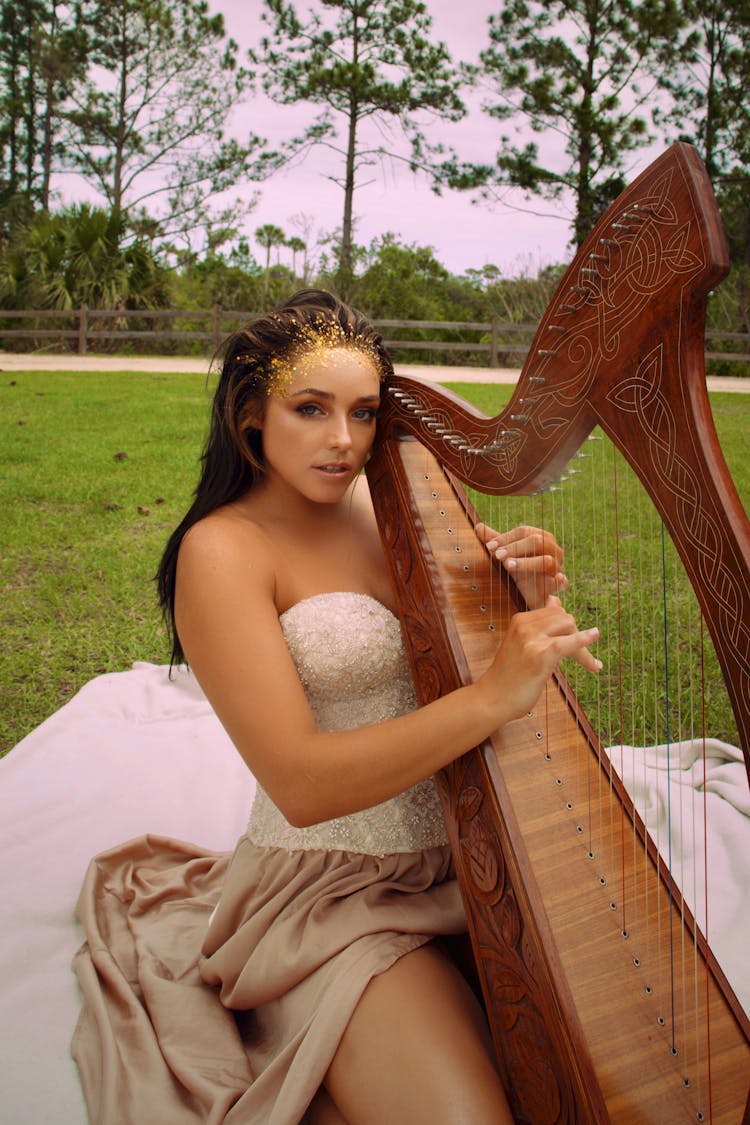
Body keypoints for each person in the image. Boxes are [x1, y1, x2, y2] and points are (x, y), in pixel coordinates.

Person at [72, 288, 601, 1125]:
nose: (343, 441)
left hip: (471, 856)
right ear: (252, 413)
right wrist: (495, 688)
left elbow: (469, 681)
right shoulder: (223, 551)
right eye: (310, 409)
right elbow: (302, 784)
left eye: (362, 412)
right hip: (333, 896)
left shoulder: (390, 507)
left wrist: (512, 603)